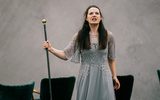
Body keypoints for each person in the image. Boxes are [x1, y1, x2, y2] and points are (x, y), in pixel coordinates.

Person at [43, 5, 120, 100]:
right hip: (86, 77)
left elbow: (111, 59)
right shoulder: (79, 36)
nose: (94, 15)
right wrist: (51, 49)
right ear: (86, 18)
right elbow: (65, 55)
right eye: (91, 13)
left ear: (101, 18)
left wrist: (114, 76)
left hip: (104, 77)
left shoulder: (109, 36)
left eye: (97, 13)